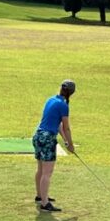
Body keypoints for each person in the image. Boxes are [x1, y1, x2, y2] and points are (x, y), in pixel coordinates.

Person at [33, 79, 76, 212]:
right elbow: (66, 127)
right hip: (47, 139)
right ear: (71, 93)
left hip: (38, 136)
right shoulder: (63, 106)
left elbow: (57, 124)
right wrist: (71, 146)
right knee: (47, 173)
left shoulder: (51, 100)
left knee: (41, 169)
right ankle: (45, 204)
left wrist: (65, 140)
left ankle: (41, 196)